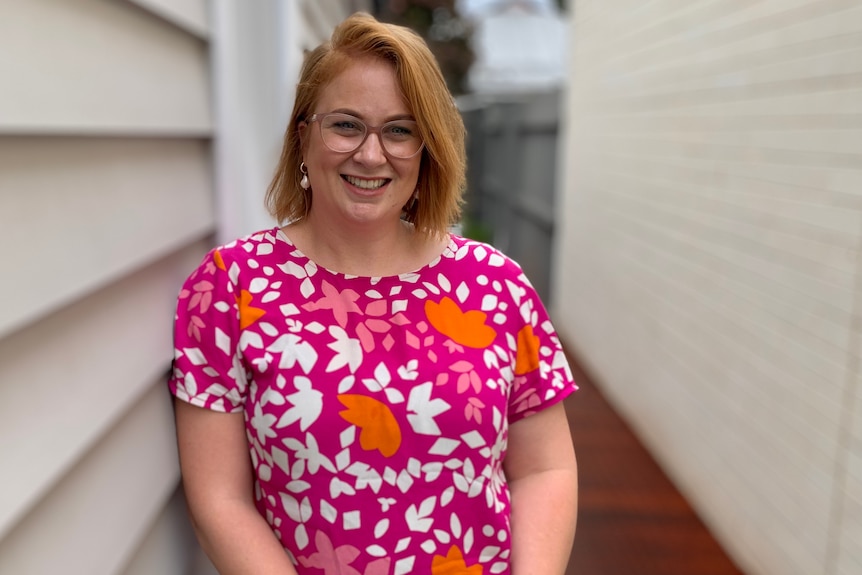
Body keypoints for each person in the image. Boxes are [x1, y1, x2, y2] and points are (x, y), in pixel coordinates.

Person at [169, 12, 577, 575]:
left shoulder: (496, 286)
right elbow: (220, 500)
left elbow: (544, 470)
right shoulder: (230, 288)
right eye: (345, 125)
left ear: (427, 147)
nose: (370, 154)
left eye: (400, 130)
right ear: (302, 135)